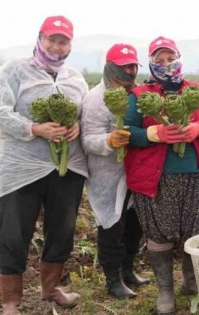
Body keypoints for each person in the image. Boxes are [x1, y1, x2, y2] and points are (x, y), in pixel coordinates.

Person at [124, 36, 199, 315]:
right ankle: (165, 291)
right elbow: (128, 132)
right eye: (159, 60)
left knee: (197, 232)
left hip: (197, 174)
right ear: (151, 63)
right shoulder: (140, 95)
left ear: (179, 57)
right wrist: (155, 133)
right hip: (156, 179)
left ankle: (192, 282)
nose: (166, 64)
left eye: (171, 58)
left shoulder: (198, 91)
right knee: (160, 234)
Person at [0, 16, 88, 313]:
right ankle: (11, 300)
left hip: (67, 168)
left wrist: (77, 125)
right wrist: (35, 129)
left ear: (70, 45)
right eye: (52, 39)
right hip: (21, 168)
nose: (56, 45)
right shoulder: (15, 70)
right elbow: (0, 110)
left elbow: (84, 115)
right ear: (40, 38)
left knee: (62, 229)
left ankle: (51, 289)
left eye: (63, 41)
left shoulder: (74, 78)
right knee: (14, 232)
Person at [81, 43, 150, 300]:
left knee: (134, 225)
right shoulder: (95, 99)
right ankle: (113, 280)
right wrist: (109, 141)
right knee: (112, 226)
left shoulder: (137, 95)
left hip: (135, 171)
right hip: (107, 175)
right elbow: (88, 140)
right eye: (124, 66)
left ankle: (128, 271)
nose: (130, 71)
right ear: (110, 67)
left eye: (133, 66)